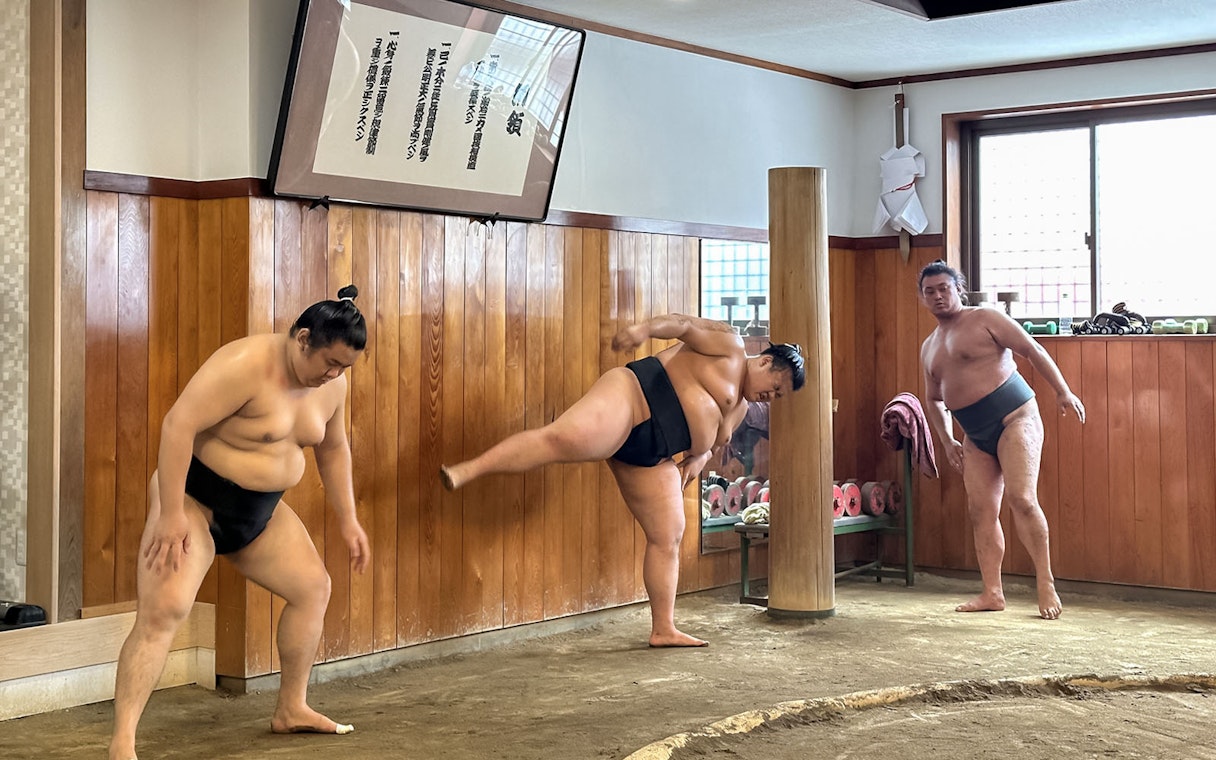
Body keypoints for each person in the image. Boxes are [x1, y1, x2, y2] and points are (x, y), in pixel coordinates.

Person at [109, 286, 372, 760]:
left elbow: (333, 449)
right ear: (303, 339)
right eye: (329, 362)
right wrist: (170, 513)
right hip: (195, 500)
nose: (334, 374)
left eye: (344, 368)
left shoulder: (332, 385)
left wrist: (349, 519)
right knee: (164, 610)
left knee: (314, 588)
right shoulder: (245, 365)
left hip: (260, 513)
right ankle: (122, 743)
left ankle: (291, 708)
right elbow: (177, 425)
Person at [440, 313, 805, 647]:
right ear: (765, 361)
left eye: (777, 397)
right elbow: (682, 325)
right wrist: (642, 330)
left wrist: (700, 458)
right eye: (775, 387)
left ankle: (663, 628)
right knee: (563, 439)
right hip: (633, 400)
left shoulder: (740, 409)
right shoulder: (729, 346)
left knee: (669, 534)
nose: (770, 398)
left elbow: (708, 445)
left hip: (654, 456)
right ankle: (469, 470)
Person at [917, 261, 1084, 620]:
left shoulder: (985, 318)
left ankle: (1045, 582)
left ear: (957, 289)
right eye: (929, 291)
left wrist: (1063, 391)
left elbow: (1031, 349)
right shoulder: (929, 347)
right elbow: (932, 399)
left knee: (1022, 499)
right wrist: (947, 441)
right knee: (981, 512)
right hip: (974, 436)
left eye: (943, 288)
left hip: (1015, 418)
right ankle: (992, 592)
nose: (937, 296)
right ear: (923, 298)